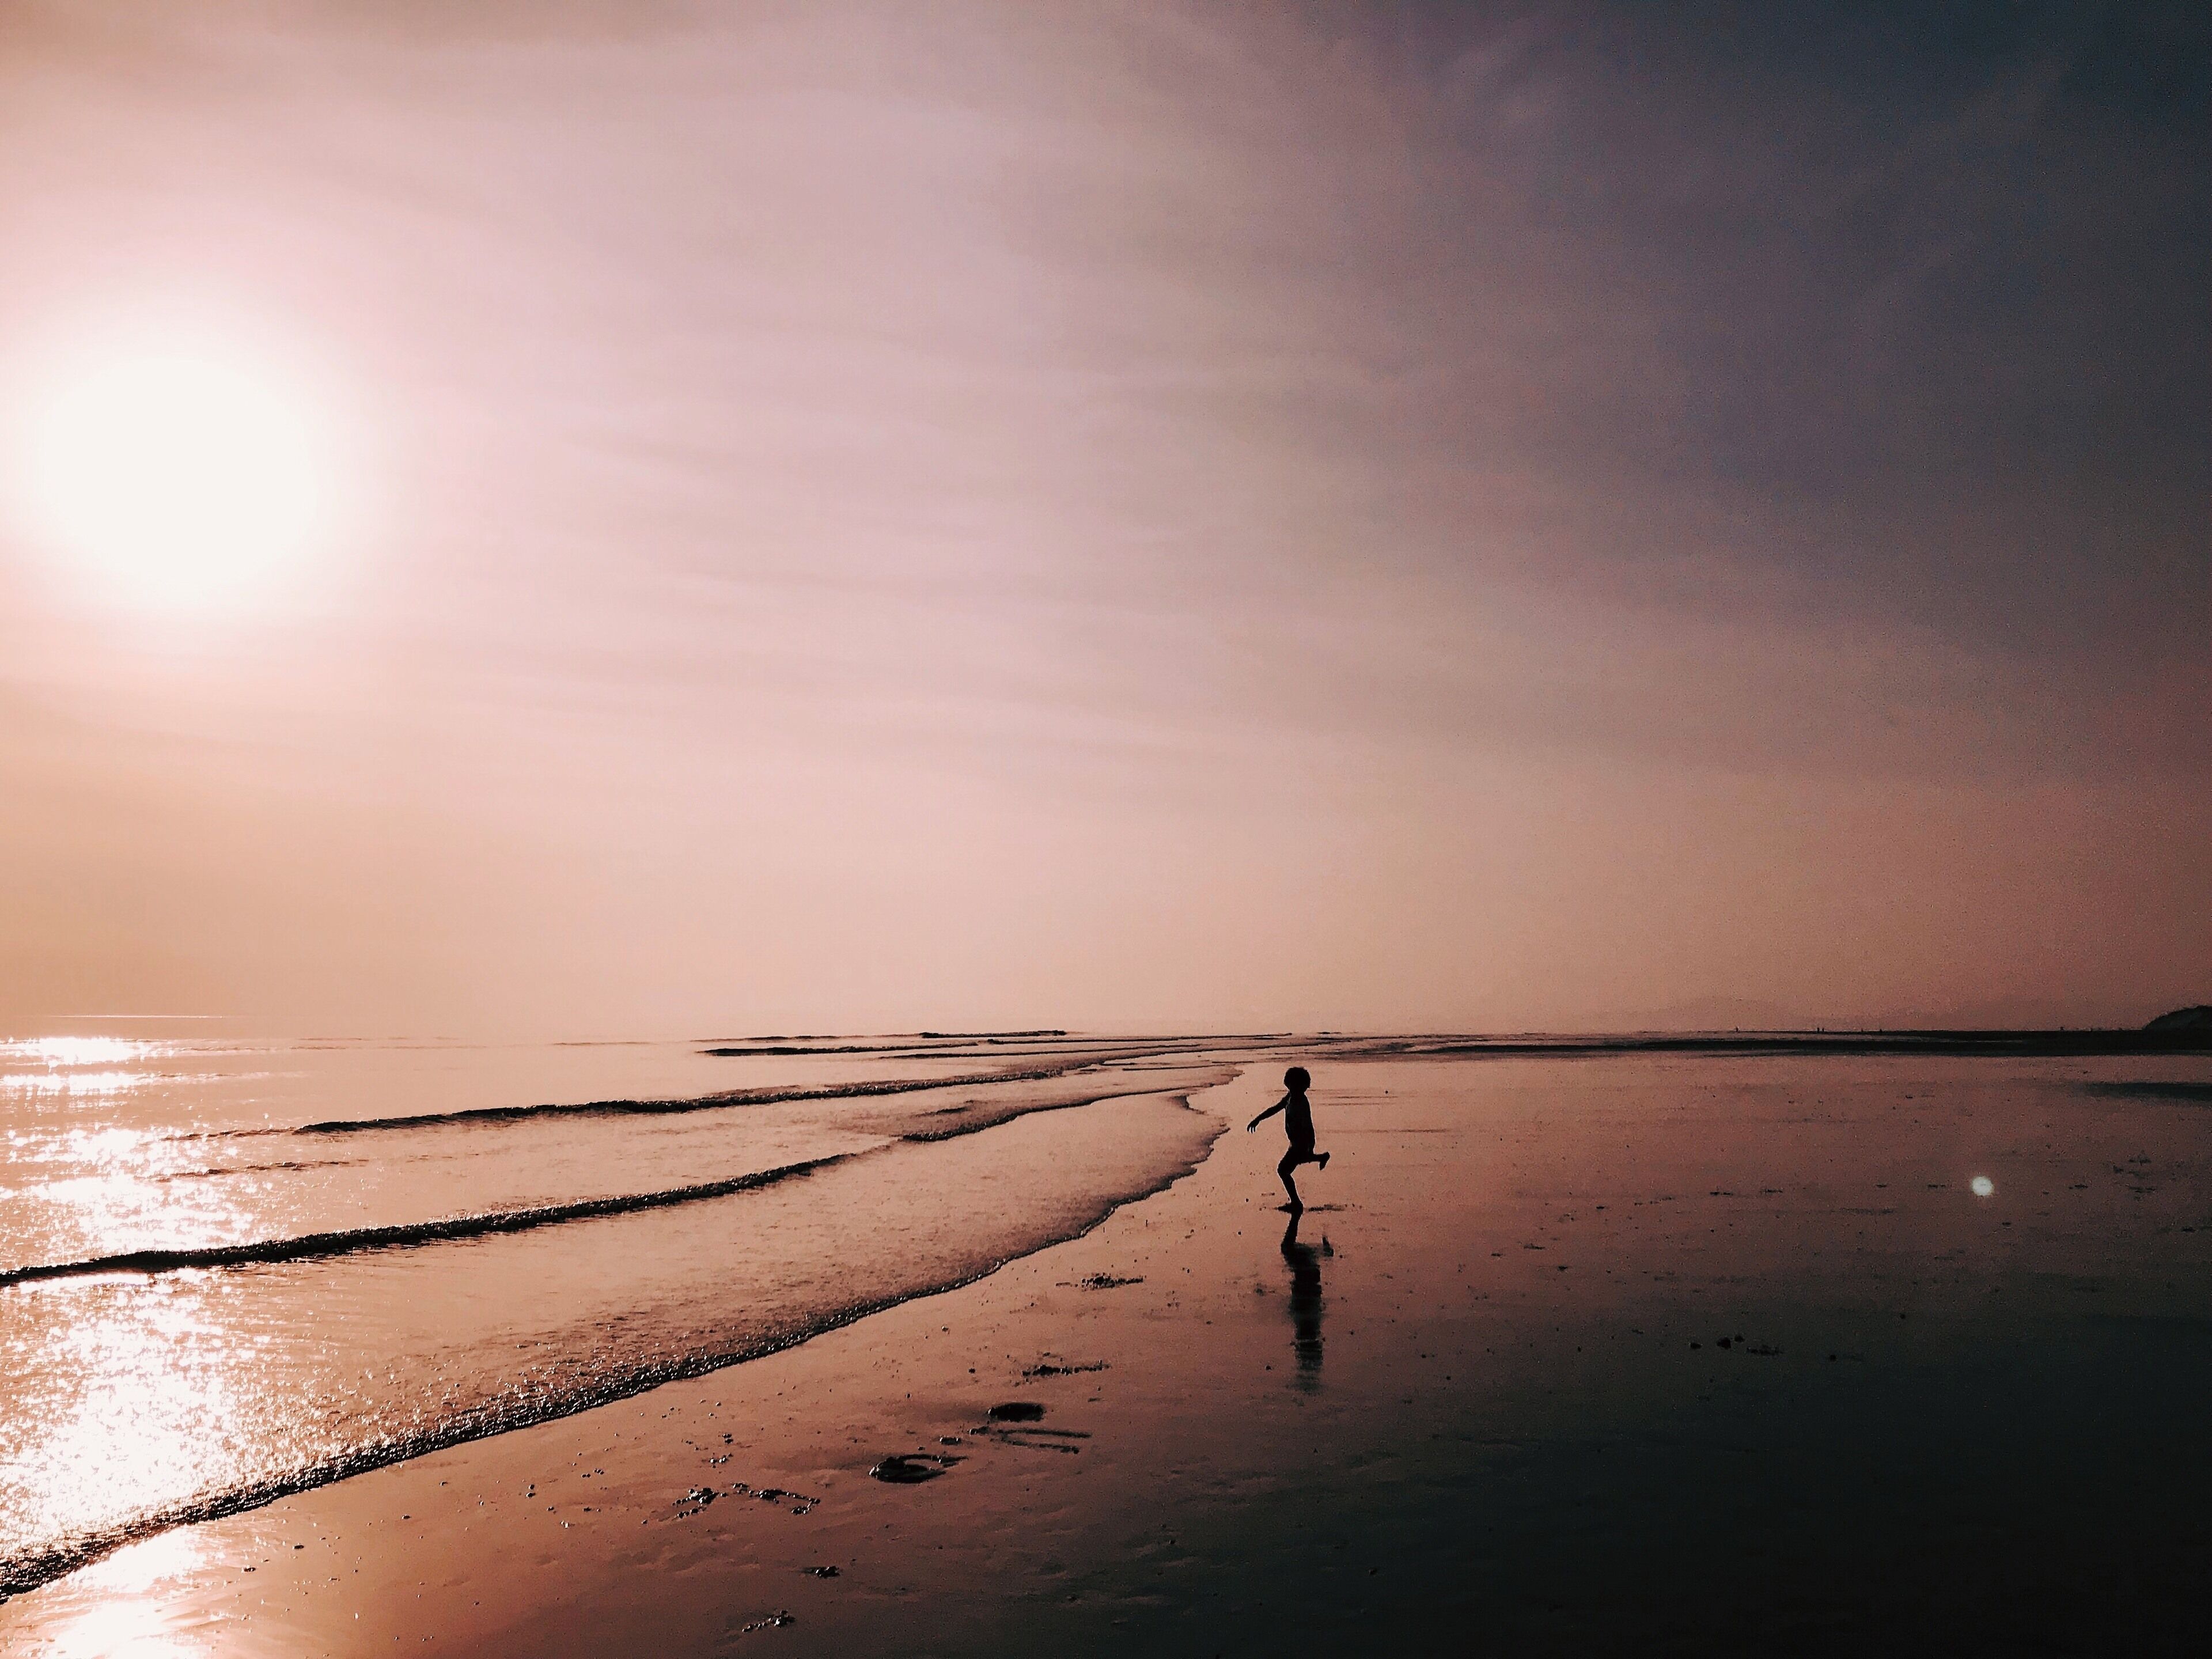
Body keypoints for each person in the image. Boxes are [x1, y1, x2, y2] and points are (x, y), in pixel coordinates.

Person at [1247, 1065, 1329, 1210]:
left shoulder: (1301, 1102)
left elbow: (1308, 1125)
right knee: (1298, 1161)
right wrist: (1258, 1119)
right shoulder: (1289, 1098)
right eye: (1292, 1085)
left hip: (1301, 1141)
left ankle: (1296, 1203)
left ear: (1304, 1087)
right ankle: (1321, 1157)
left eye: (1297, 1086)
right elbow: (1275, 1109)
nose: (1294, 1089)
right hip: (1295, 1142)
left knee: (1283, 1170)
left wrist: (1310, 1143)